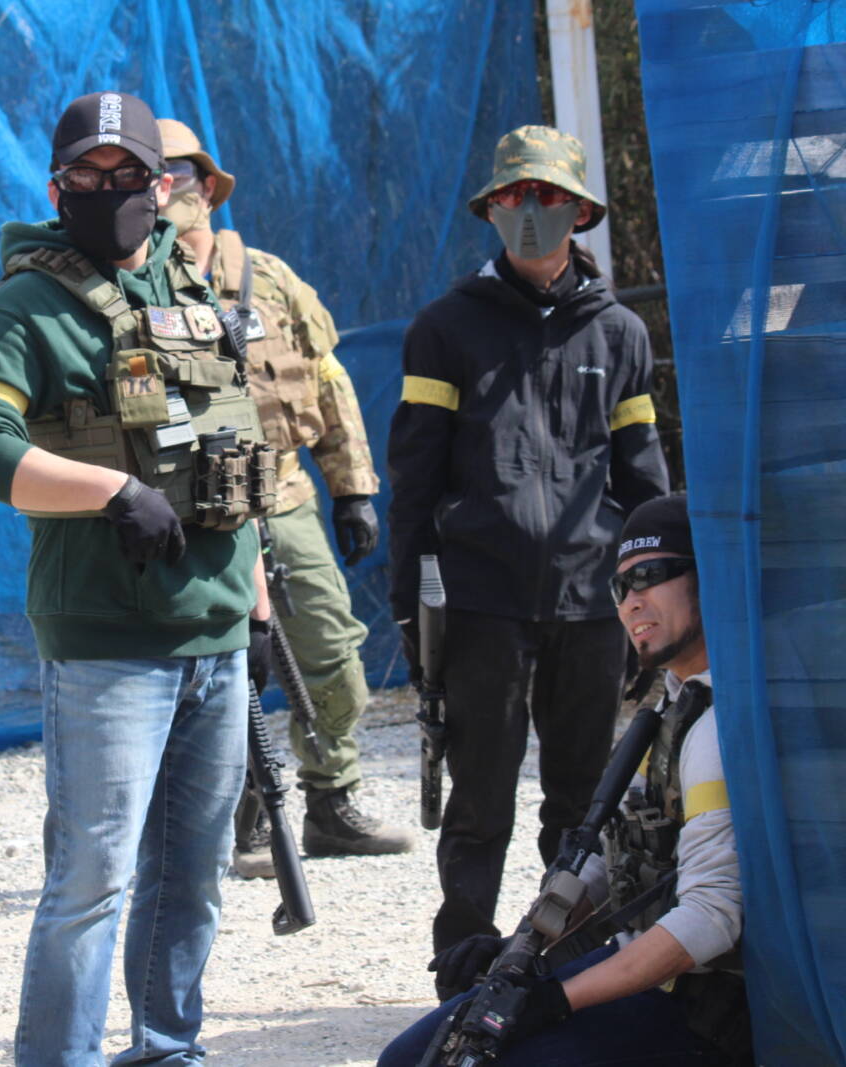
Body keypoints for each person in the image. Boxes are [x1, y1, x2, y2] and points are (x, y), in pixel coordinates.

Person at [0, 91, 273, 1066]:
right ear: (56, 189)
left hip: (217, 633)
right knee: (91, 882)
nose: (110, 189)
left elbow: (230, 452)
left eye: (129, 174)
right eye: (87, 174)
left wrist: (256, 604)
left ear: (162, 186)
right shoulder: (27, 306)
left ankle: (167, 1048)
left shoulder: (192, 287)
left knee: (194, 877)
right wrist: (110, 490)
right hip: (108, 643)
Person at [387, 124, 671, 995]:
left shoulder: (619, 334)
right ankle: (465, 962)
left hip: (591, 602)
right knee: (479, 797)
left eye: (548, 196)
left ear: (581, 211)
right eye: (514, 195)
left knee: (585, 799)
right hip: (481, 601)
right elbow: (415, 477)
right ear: (491, 211)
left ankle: (571, 965)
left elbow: (644, 479)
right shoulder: (446, 329)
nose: (531, 211)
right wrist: (410, 606)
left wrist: (659, 601)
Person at [380, 492, 750, 1066]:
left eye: (651, 576)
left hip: (707, 1008)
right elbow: (611, 857)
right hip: (655, 973)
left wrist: (554, 1002)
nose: (632, 601)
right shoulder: (678, 707)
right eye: (620, 587)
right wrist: (520, 949)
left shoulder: (723, 723)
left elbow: (710, 917)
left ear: (712, 579)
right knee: (415, 1056)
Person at [156, 118, 413, 869]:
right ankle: (246, 812)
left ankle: (333, 799)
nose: (164, 191)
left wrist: (353, 488)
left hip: (286, 494)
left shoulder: (268, 278)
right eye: (151, 178)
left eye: (177, 175)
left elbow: (326, 378)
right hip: (195, 511)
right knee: (222, 665)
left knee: (330, 648)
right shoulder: (138, 286)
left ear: (208, 187)